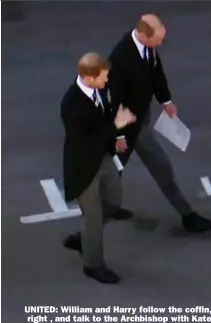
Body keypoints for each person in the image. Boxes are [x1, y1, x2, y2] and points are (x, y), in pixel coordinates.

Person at [107, 13, 211, 233]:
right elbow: (113, 96)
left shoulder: (147, 48)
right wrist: (119, 131)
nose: (161, 44)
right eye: (158, 39)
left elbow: (156, 74)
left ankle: (106, 204)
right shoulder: (121, 58)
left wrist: (165, 100)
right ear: (144, 35)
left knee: (114, 167)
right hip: (130, 125)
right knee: (161, 166)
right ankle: (187, 215)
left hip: (139, 117)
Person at [61, 53, 136, 283]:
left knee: (113, 203)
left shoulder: (99, 88)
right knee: (93, 216)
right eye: (102, 78)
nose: (106, 82)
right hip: (83, 166)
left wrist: (117, 135)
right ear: (88, 77)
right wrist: (116, 126)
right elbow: (86, 141)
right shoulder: (71, 105)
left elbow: (107, 116)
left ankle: (84, 238)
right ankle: (93, 264)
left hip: (102, 157)